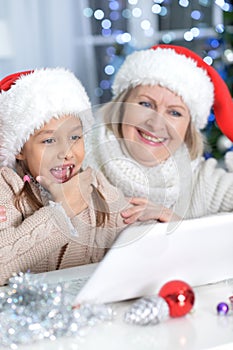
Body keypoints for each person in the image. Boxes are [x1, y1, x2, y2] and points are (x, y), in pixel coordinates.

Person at [0, 68, 176, 286]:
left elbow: (126, 234)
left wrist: (158, 225)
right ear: (19, 148)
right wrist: (61, 213)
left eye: (75, 137)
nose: (67, 152)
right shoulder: (6, 189)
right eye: (48, 141)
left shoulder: (94, 184)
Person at [84, 44, 233, 220]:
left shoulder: (205, 182)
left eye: (175, 113)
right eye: (145, 104)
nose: (156, 124)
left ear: (188, 130)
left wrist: (179, 228)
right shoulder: (75, 160)